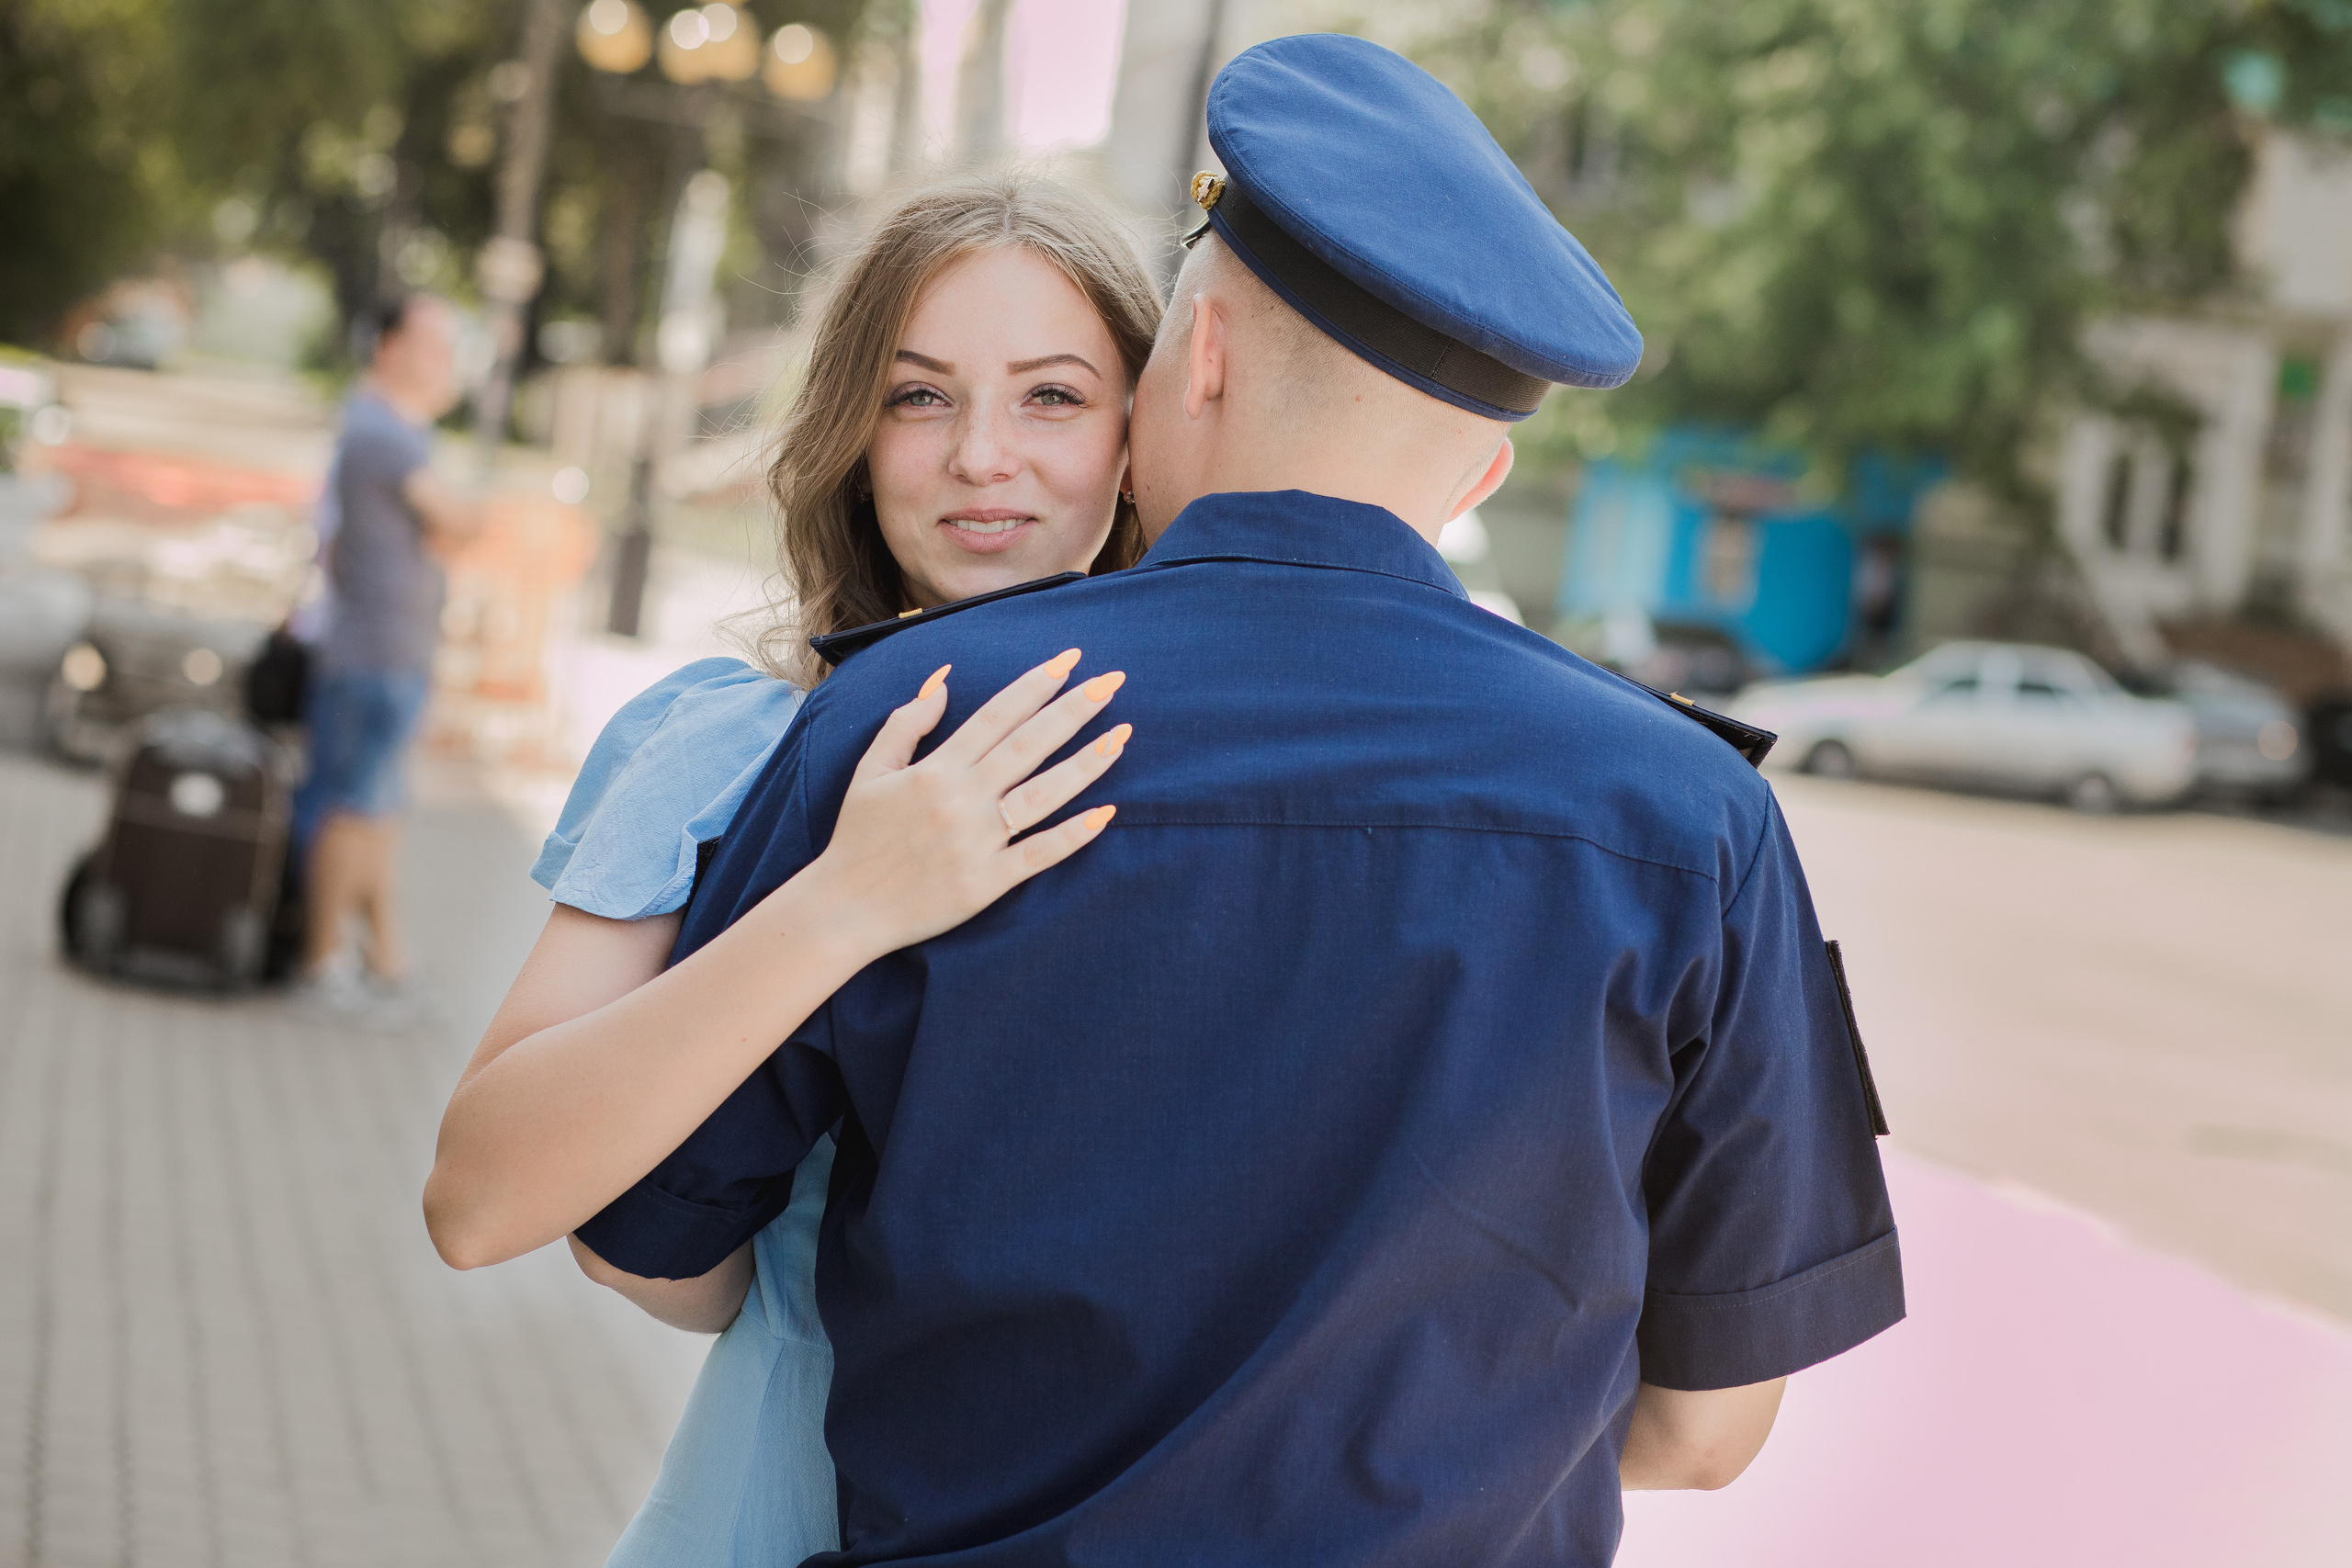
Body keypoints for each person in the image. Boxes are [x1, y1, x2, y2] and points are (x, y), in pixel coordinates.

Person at [558, 33, 1907, 1565]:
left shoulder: (909, 721)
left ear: (1192, 358)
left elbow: (643, 1236)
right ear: (1473, 481)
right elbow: (1706, 1429)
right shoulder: (1696, 820)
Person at [424, 171, 1164, 1563]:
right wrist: (842, 902)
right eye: (920, 395)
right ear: (851, 431)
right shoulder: (726, 740)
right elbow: (481, 1197)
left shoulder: (1213, 788)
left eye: (1053, 397)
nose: (982, 457)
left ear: (1143, 426)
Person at [293, 294, 482, 1010]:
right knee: (354, 806)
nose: (444, 364)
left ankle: (385, 961)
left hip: (388, 647)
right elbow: (457, 519)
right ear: (388, 347)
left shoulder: (390, 430)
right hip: (374, 649)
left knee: (378, 806)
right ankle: (321, 963)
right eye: (432, 347)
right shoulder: (385, 433)